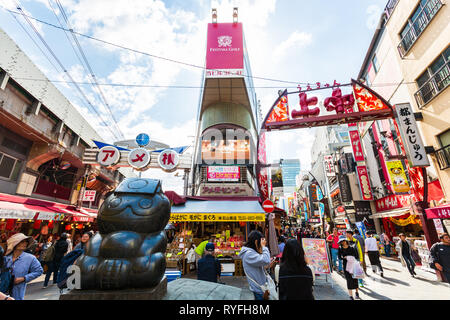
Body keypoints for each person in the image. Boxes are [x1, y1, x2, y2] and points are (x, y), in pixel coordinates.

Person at [4, 233, 43, 300]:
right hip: (3, 291)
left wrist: (24, 278)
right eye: (22, 241)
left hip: (17, 292)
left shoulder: (30, 258)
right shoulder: (5, 258)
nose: (24, 243)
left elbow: (39, 271)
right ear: (15, 244)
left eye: (26, 242)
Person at [239, 230, 272, 300]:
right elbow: (266, 260)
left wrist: (267, 266)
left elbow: (262, 263)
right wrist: (264, 247)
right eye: (261, 243)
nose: (261, 245)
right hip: (258, 290)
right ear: (256, 242)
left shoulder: (251, 252)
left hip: (261, 289)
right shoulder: (248, 254)